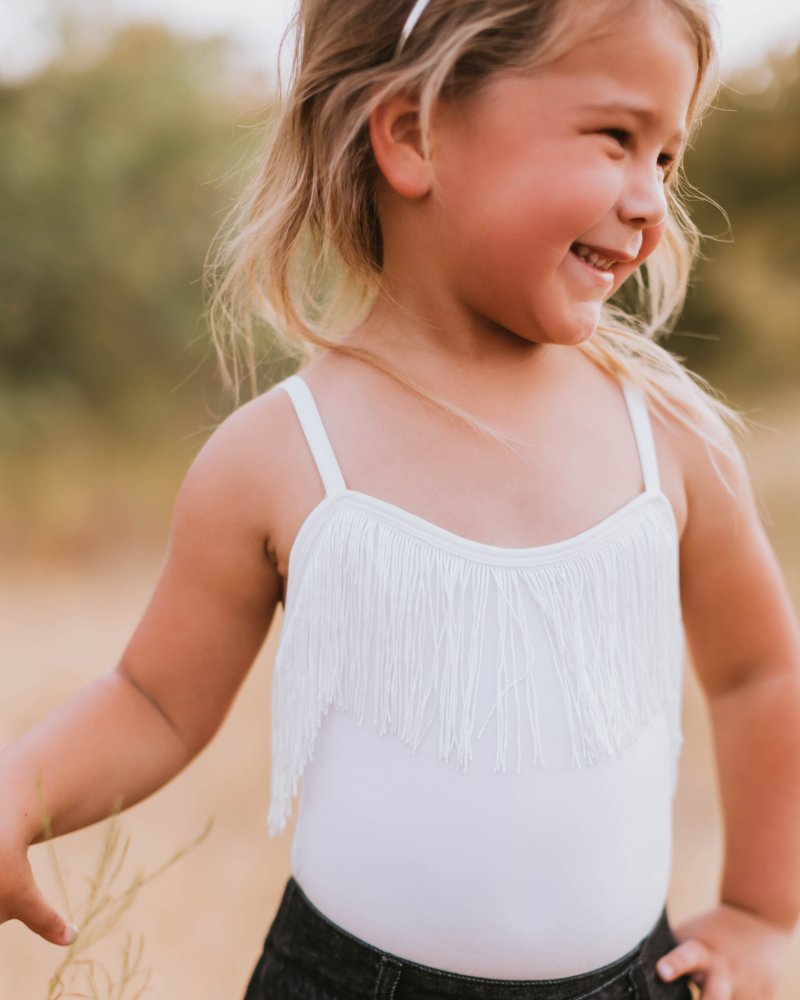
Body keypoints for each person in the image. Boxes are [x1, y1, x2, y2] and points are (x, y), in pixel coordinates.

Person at [3, 0, 800, 996]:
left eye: (665, 158)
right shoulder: (280, 455)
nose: (649, 199)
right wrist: (13, 794)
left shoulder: (668, 437)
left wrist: (764, 911)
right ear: (414, 136)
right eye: (613, 138)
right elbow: (155, 700)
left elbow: (757, 674)